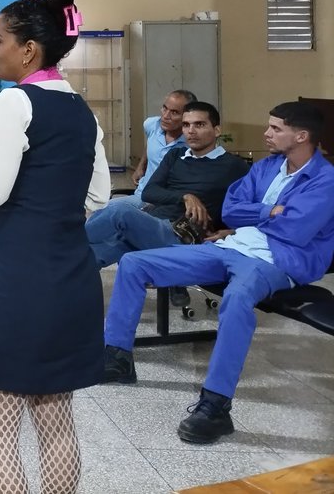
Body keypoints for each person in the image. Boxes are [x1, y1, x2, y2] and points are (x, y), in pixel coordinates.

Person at [0, 0, 109, 494]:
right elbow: (98, 195)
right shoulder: (82, 110)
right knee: (56, 423)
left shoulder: (14, 103)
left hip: (19, 287)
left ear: (28, 50)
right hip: (71, 280)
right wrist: (47, 205)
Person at [102, 101, 334, 445]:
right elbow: (231, 209)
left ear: (301, 136)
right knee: (137, 263)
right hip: (232, 247)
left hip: (276, 261)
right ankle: (117, 359)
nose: (266, 134)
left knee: (238, 299)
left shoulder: (325, 180)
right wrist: (271, 210)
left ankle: (215, 404)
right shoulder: (268, 167)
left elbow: (296, 230)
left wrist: (257, 215)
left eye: (275, 128)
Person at [87, 101, 248, 270]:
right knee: (91, 256)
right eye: (186, 125)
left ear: (217, 130)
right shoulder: (176, 155)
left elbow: (255, 206)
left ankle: (64, 243)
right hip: (152, 224)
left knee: (119, 212)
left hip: (183, 234)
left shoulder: (234, 166)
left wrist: (233, 232)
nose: (191, 131)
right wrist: (185, 196)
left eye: (199, 125)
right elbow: (149, 192)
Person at [126, 90, 194, 207]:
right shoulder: (152, 124)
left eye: (174, 112)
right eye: (164, 108)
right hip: (142, 195)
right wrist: (141, 166)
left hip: (168, 202)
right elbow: (150, 142)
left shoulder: (192, 141)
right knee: (105, 211)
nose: (166, 116)